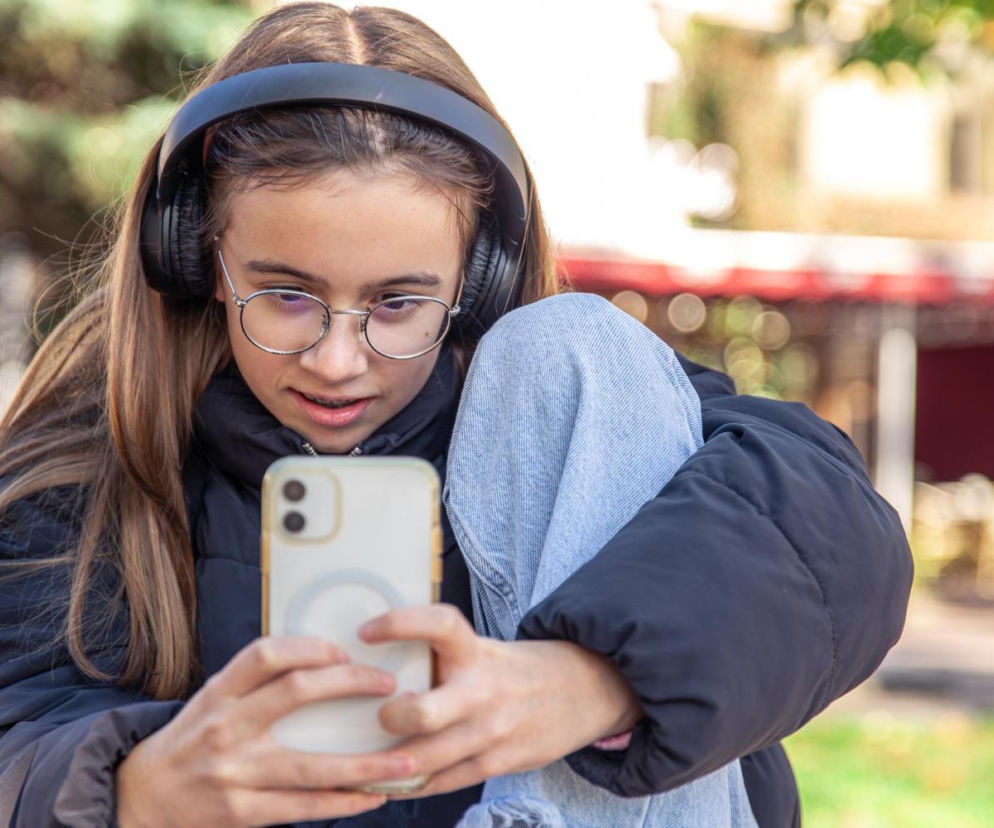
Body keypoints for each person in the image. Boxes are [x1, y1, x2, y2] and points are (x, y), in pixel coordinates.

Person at [0, 3, 912, 827]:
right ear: (196, 258)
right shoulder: (76, 478)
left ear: (477, 287)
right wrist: (137, 791)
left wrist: (592, 679)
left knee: (572, 343)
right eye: (286, 295)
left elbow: (831, 533)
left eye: (398, 303)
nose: (337, 360)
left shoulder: (587, 416)